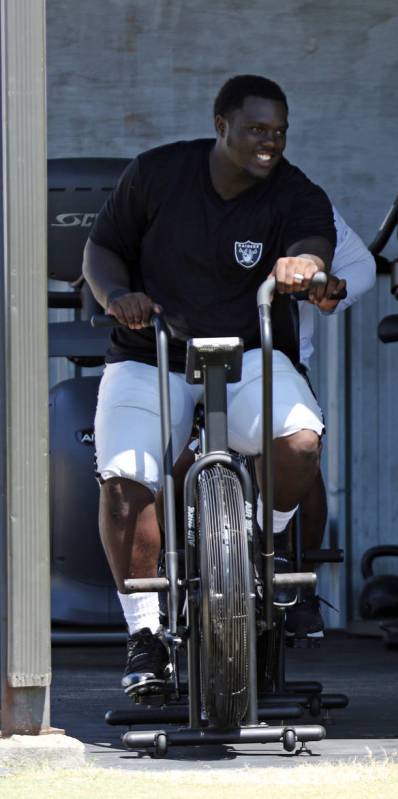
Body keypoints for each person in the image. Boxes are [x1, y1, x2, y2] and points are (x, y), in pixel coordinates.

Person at [83, 74, 341, 697]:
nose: (269, 143)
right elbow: (102, 250)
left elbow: (312, 246)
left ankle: (271, 544)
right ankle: (145, 636)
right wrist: (119, 297)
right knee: (124, 483)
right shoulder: (155, 174)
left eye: (278, 132)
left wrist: (306, 267)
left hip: (251, 352)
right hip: (153, 353)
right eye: (255, 130)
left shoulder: (297, 191)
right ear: (221, 125)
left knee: (301, 441)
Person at [278, 207, 376, 639]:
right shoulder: (185, 194)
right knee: (175, 462)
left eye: (275, 133)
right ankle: (164, 603)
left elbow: (361, 265)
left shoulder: (297, 199)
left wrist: (332, 291)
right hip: (195, 355)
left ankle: (297, 584)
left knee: (301, 453)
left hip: (279, 357)